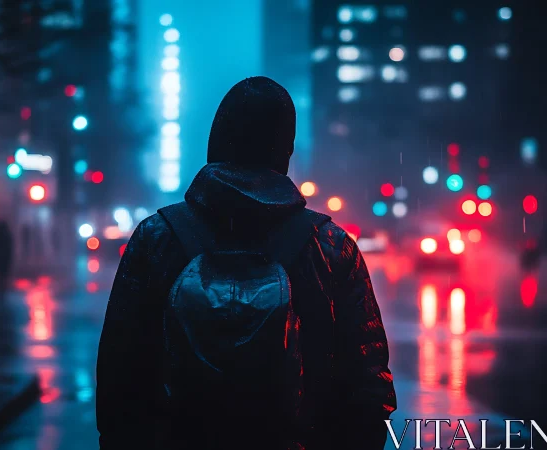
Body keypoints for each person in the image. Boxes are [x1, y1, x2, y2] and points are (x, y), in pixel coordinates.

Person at [96, 77, 396, 450]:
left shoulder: (157, 238)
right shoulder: (330, 247)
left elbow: (118, 380)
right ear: (285, 152)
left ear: (215, 144)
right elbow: (369, 390)